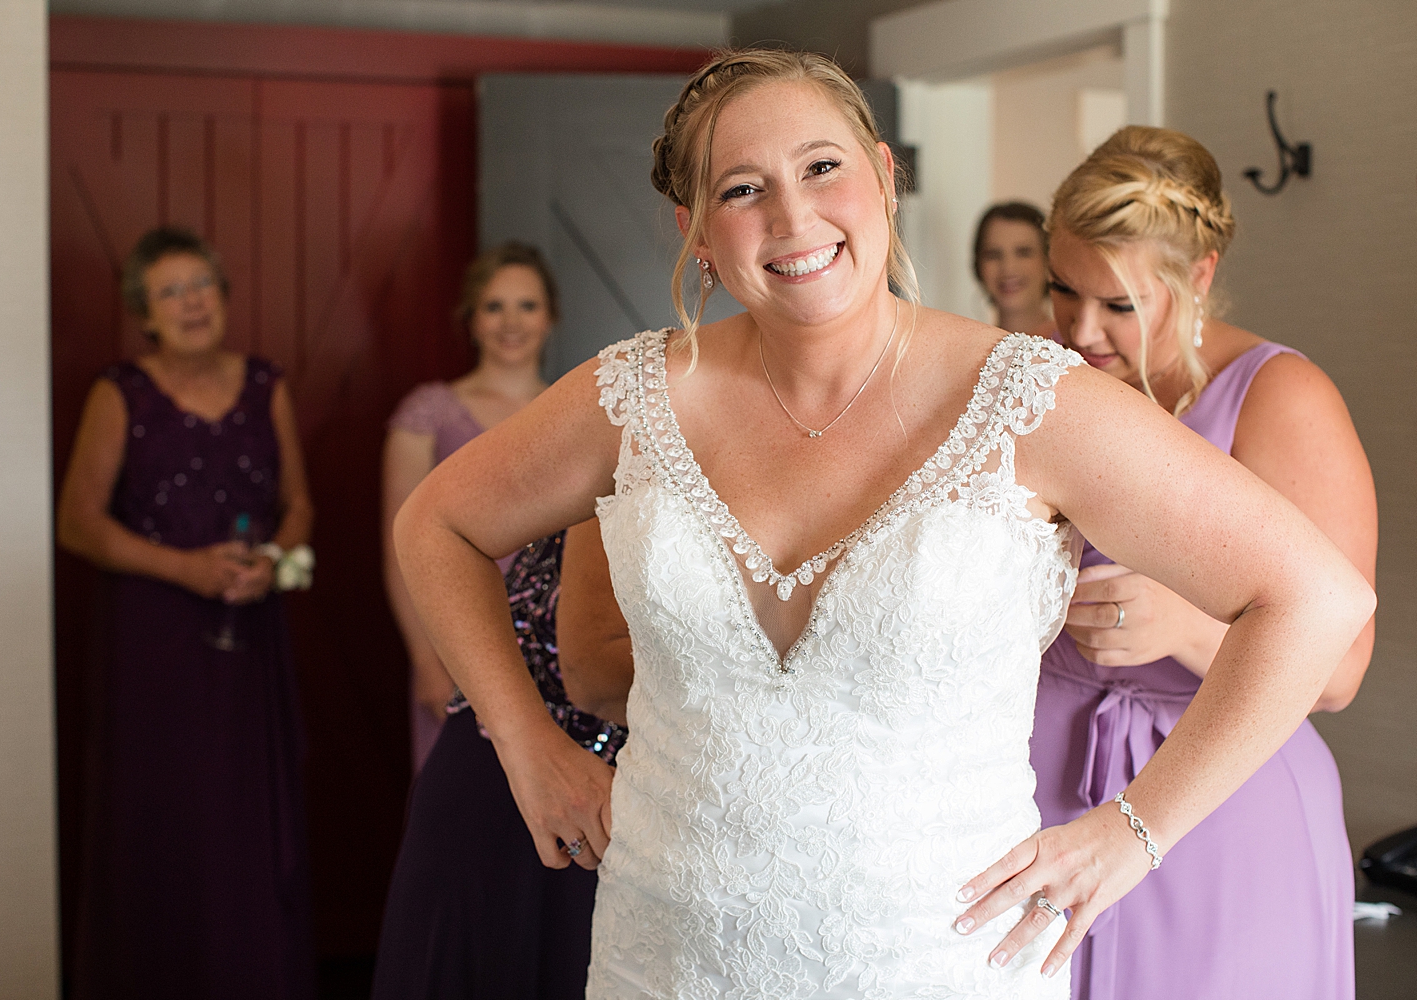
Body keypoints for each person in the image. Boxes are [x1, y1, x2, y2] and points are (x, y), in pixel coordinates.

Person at [391, 49, 1373, 999]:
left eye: (823, 167)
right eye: (742, 189)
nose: (792, 215)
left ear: (884, 176)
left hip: (936, 958)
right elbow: (437, 523)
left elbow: (1316, 600)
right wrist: (527, 744)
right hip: (669, 953)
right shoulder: (633, 395)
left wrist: (1134, 832)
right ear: (694, 230)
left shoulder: (1033, 400)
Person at [1030, 126, 1378, 1000]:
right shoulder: (1043, 376)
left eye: (1118, 304)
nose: (1079, 329)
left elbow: (1339, 674)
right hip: (1035, 780)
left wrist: (1187, 626)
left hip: (1220, 807)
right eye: (1062, 292)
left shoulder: (1282, 397)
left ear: (1200, 276)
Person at [58, 227, 316, 999]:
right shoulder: (119, 392)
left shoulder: (267, 384)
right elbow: (79, 522)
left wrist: (271, 562)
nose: (191, 302)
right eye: (170, 291)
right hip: (152, 643)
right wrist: (187, 570)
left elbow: (298, 505)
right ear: (145, 311)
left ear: (224, 297)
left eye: (201, 284)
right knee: (161, 811)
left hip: (248, 633)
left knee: (241, 812)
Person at [371, 520, 630, 1000]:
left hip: (666, 802)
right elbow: (435, 527)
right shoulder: (641, 448)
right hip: (537, 786)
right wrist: (524, 738)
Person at [382, 242, 556, 771]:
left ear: (550, 317)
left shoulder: (573, 411)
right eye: (494, 306)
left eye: (527, 305)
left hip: (554, 645)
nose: (511, 322)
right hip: (456, 639)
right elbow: (400, 548)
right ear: (472, 319)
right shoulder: (428, 412)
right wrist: (426, 661)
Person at [973, 201, 1052, 334]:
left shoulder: (1075, 348)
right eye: (993, 255)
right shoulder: (967, 349)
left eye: (1023, 253)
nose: (1008, 268)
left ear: (1048, 261)